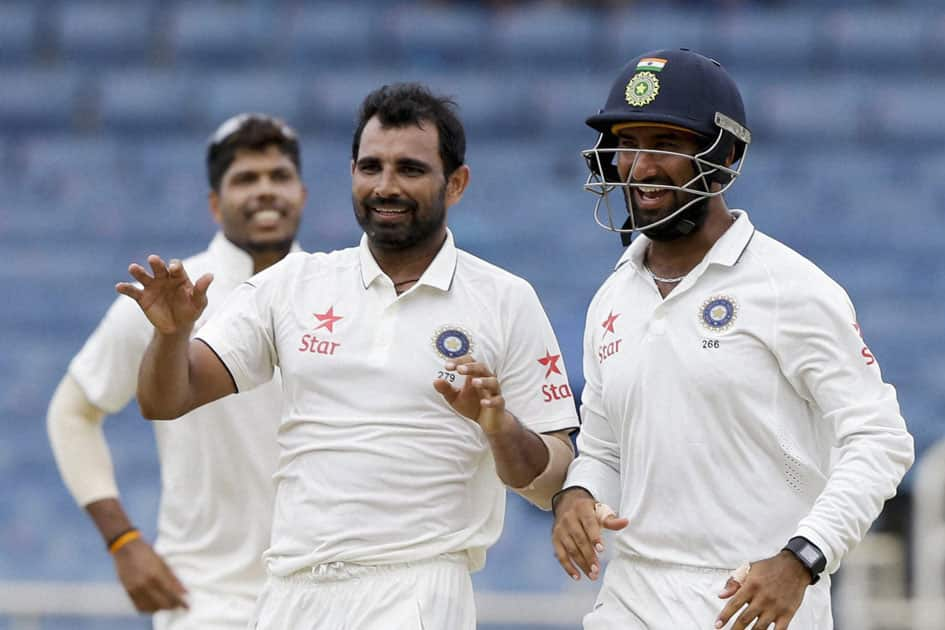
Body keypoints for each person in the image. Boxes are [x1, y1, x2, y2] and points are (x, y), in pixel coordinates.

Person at [115, 82, 579, 630]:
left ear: (456, 183)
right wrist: (171, 335)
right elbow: (166, 398)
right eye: (370, 167)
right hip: (291, 590)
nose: (385, 186)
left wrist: (500, 429)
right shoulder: (295, 283)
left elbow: (553, 477)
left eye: (409, 169)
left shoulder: (505, 299)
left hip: (414, 592)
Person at [550, 48, 915, 630]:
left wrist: (804, 557)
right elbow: (603, 446)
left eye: (666, 144)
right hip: (633, 596)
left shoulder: (790, 288)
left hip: (754, 598)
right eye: (628, 143)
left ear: (722, 158)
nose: (640, 167)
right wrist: (575, 494)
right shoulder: (613, 298)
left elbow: (881, 439)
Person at [47, 113, 308, 629]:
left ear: (301, 192)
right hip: (208, 600)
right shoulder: (165, 299)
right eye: (245, 179)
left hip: (327, 598)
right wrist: (123, 541)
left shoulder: (338, 294)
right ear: (215, 203)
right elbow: (70, 414)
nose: (265, 192)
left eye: (279, 177)